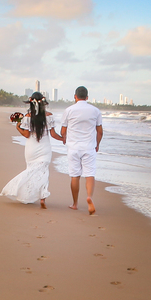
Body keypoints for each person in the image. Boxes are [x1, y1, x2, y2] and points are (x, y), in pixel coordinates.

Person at [0, 92, 63, 208]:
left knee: (31, 171)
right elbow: (53, 135)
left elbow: (26, 135)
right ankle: (42, 197)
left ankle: (23, 190)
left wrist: (18, 128)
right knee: (44, 173)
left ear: (31, 103)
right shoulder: (49, 116)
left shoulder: (28, 117)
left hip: (31, 149)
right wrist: (64, 139)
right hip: (45, 148)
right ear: (43, 103)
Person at [58, 86, 103, 215]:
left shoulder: (69, 110)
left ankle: (75, 203)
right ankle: (89, 197)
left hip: (73, 147)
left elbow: (63, 130)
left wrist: (64, 138)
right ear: (87, 97)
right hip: (89, 147)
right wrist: (97, 144)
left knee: (75, 176)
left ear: (75, 96)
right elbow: (99, 131)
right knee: (89, 174)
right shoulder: (95, 111)